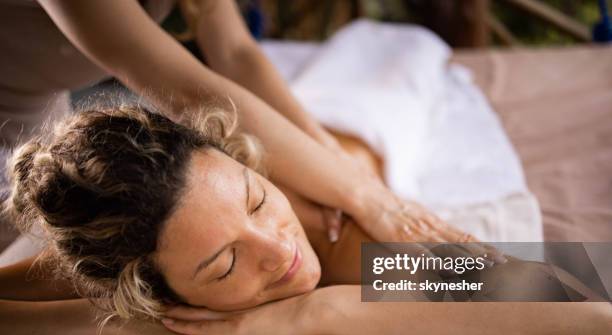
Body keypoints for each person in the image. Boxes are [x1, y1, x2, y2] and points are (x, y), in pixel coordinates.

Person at [1, 105, 610, 335]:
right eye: (223, 265)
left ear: (244, 163)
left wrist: (324, 309)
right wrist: (97, 327)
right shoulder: (152, 236)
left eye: (259, 200)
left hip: (349, 127)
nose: (278, 249)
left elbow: (582, 303)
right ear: (155, 297)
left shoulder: (368, 252)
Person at [0, 0, 466, 261]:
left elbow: (235, 53)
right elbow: (186, 89)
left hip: (40, 106)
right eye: (224, 265)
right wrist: (364, 197)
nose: (279, 249)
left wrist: (341, 170)